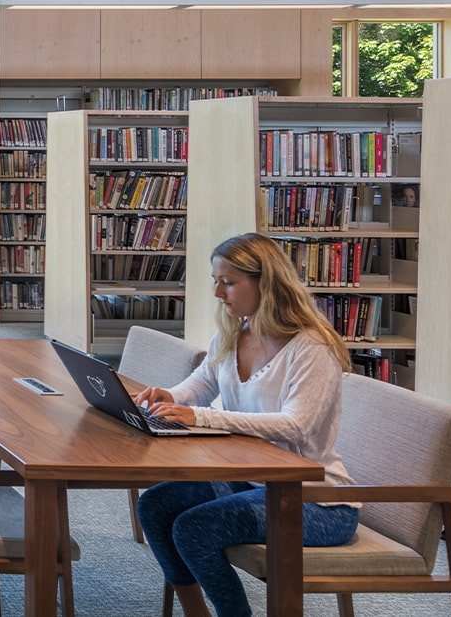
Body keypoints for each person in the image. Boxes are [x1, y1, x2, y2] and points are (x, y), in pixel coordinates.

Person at [133, 232, 359, 617]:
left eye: (229, 282)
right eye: (216, 282)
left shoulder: (311, 347)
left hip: (315, 501)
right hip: (252, 480)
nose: (219, 293)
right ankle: (195, 612)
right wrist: (170, 397)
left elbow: (296, 426)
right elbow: (203, 383)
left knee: (194, 528)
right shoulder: (237, 330)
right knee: (156, 504)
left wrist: (200, 416)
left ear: (265, 284)